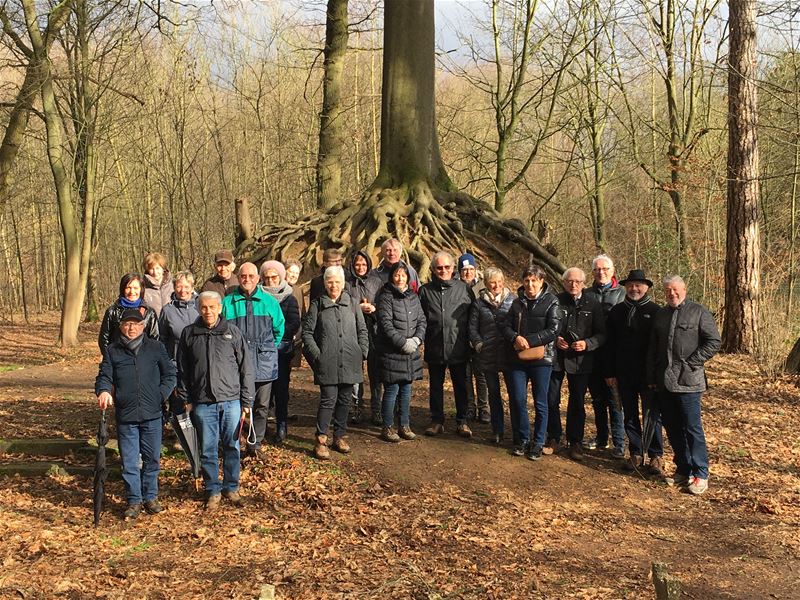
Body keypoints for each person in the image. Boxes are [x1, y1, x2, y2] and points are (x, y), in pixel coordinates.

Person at [95, 309, 176, 519]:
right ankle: (134, 500)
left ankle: (150, 496)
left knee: (152, 459)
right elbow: (104, 376)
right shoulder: (113, 351)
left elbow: (170, 374)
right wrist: (104, 391)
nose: (131, 328)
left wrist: (160, 395)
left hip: (153, 413)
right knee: (130, 462)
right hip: (126, 416)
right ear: (121, 326)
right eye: (127, 324)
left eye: (136, 324)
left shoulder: (156, 348)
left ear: (143, 326)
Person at [177, 291, 254, 510]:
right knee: (208, 448)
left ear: (220, 308)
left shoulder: (232, 332)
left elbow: (246, 368)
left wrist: (247, 401)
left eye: (212, 307)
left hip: (231, 401)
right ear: (198, 308)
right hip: (203, 402)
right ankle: (213, 489)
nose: (208, 311)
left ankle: (232, 487)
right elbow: (182, 369)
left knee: (232, 446)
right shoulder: (189, 334)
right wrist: (186, 399)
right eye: (203, 307)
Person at [646, 275, 720, 495]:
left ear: (684, 290)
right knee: (673, 427)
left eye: (675, 290)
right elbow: (653, 348)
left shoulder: (699, 312)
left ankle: (701, 473)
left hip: (689, 382)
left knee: (692, 428)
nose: (672, 294)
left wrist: (692, 362)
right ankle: (683, 469)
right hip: (664, 382)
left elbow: (714, 341)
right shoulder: (661, 314)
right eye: (668, 291)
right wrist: (651, 376)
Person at [302, 265, 369, 459]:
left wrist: (362, 352)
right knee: (328, 400)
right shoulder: (318, 304)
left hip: (350, 360)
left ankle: (339, 436)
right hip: (327, 362)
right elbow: (307, 333)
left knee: (345, 401)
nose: (334, 285)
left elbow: (362, 330)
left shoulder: (353, 303)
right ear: (325, 283)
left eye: (337, 282)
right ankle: (321, 439)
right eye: (330, 281)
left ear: (343, 283)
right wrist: (318, 355)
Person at [222, 262, 285, 457]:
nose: (247, 279)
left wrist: (267, 348)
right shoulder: (228, 302)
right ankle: (235, 442)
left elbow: (279, 330)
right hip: (235, 364)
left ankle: (255, 442)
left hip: (264, 362)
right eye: (243, 276)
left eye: (251, 276)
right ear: (238, 278)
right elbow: (221, 330)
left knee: (262, 406)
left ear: (258, 278)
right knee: (236, 406)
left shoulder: (269, 302)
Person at [605, 269, 663, 474]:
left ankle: (656, 455)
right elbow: (609, 345)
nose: (634, 289)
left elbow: (660, 348)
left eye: (638, 285)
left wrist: (656, 374)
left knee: (652, 415)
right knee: (629, 414)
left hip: (648, 375)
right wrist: (610, 373)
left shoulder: (656, 312)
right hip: (623, 373)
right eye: (630, 285)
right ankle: (636, 453)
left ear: (646, 287)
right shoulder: (617, 311)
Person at [547, 268, 606, 462]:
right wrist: (555, 339)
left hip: (581, 361)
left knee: (577, 402)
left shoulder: (593, 303)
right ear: (564, 282)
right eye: (570, 281)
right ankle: (554, 437)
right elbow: (547, 326)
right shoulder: (555, 300)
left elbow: (602, 334)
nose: (573, 285)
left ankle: (575, 441)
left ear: (584, 283)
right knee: (551, 399)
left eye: (577, 282)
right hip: (557, 358)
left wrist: (587, 344)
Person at [502, 264, 560, 460]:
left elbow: (553, 329)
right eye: (527, 280)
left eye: (534, 280)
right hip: (518, 359)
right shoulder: (517, 303)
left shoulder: (552, 301)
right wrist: (514, 338)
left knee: (540, 402)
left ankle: (538, 442)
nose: (530, 284)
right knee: (518, 399)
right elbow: (505, 326)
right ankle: (523, 439)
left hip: (542, 359)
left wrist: (530, 340)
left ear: (541, 281)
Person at [418, 251, 473, 438]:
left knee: (461, 385)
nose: (443, 271)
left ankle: (462, 421)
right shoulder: (425, 291)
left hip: (459, 345)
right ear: (433, 269)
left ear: (453, 268)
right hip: (435, 344)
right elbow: (420, 317)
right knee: (435, 385)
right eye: (439, 268)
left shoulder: (464, 289)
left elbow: (473, 317)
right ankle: (436, 421)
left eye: (447, 267)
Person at [375, 262, 427, 442]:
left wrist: (417, 339)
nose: (400, 278)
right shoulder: (386, 296)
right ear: (391, 277)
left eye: (403, 275)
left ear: (408, 277)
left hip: (411, 351)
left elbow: (422, 320)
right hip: (392, 352)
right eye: (397, 275)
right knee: (392, 390)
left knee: (406, 389)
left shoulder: (413, 296)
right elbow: (386, 324)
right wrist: (401, 343)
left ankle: (404, 425)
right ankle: (387, 427)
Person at [582, 254, 626, 457]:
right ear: (592, 272)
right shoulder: (586, 294)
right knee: (597, 399)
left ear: (612, 271)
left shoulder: (622, 294)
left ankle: (619, 443)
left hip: (614, 355)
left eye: (605, 269)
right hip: (592, 354)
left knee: (615, 400)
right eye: (597, 269)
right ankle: (601, 438)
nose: (601, 272)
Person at [468, 267, 514, 444]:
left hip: (508, 354)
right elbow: (472, 328)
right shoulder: (478, 303)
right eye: (492, 282)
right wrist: (479, 344)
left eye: (499, 282)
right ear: (486, 284)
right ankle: (497, 431)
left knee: (514, 394)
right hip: (487, 354)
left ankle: (517, 432)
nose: (496, 285)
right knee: (493, 394)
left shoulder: (512, 301)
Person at [260, 260, 300, 445]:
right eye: (267, 278)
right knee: (262, 390)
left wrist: (275, 335)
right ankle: (261, 426)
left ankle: (281, 425)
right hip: (261, 351)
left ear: (281, 277)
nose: (270, 281)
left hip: (281, 350)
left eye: (274, 277)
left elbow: (294, 323)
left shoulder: (289, 297)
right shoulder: (258, 296)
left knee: (281, 389)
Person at [347, 249, 383, 424]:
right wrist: (358, 309)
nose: (360, 267)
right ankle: (356, 407)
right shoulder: (347, 283)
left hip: (374, 330)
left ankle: (377, 409)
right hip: (353, 330)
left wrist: (374, 308)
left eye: (363, 264)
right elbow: (344, 304)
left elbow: (385, 303)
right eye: (357, 264)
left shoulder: (377, 282)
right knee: (355, 372)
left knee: (375, 373)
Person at [458, 252, 489, 423]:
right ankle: (470, 406)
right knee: (465, 374)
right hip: (461, 338)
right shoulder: (456, 287)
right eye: (464, 269)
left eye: (471, 269)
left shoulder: (483, 289)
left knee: (481, 374)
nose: (468, 272)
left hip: (480, 338)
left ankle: (484, 408)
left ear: (476, 270)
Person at [99, 272, 159, 356]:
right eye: (128, 288)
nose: (132, 291)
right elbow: (104, 339)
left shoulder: (149, 313)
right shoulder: (112, 311)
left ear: (141, 289)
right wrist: (109, 359)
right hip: (118, 361)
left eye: (135, 288)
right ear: (123, 289)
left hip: (142, 361)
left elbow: (154, 339)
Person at [158, 270, 199, 363]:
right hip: (176, 363)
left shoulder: (201, 307)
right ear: (174, 288)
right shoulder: (167, 310)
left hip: (198, 361)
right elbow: (162, 339)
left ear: (192, 288)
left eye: (186, 287)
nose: (182, 290)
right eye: (179, 286)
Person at [285, 258, 306, 370]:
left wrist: (298, 335)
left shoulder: (298, 290)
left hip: (294, 339)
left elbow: (302, 315)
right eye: (291, 272)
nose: (294, 275)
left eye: (296, 273)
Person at [142, 252, 174, 317]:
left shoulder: (174, 285)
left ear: (163, 268)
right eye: (151, 269)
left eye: (157, 268)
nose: (155, 272)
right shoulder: (143, 288)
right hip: (153, 325)